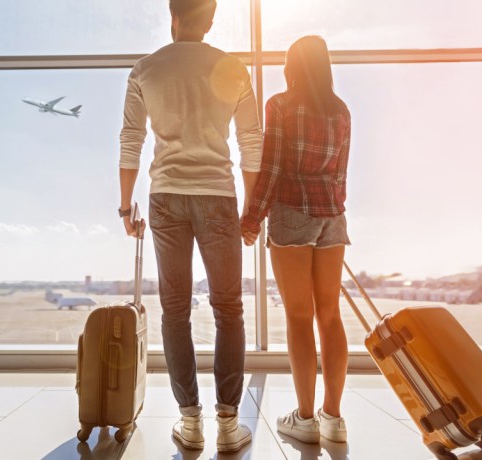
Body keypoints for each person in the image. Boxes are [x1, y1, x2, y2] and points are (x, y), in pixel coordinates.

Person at [118, 0, 262, 453]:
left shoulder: (145, 70)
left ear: (173, 16)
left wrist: (125, 206)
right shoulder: (234, 69)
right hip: (219, 195)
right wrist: (252, 209)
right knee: (229, 308)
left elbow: (131, 140)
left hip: (166, 197)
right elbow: (251, 142)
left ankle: (191, 422)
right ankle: (228, 424)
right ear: (211, 21)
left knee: (175, 309)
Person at [240, 35, 351, 444]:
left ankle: (304, 419)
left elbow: (271, 168)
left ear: (292, 66)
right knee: (330, 316)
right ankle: (333, 418)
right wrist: (332, 211)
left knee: (299, 317)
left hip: (291, 213)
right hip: (332, 216)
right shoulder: (341, 110)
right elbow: (341, 173)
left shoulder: (281, 105)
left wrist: (252, 218)